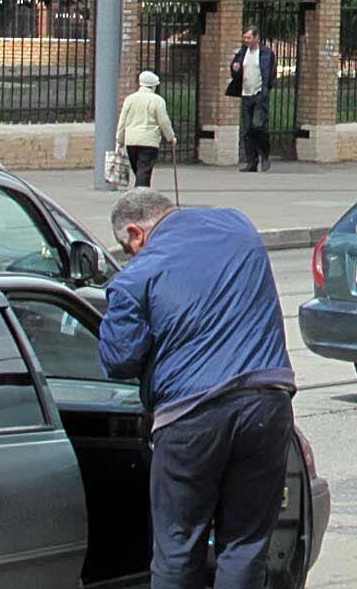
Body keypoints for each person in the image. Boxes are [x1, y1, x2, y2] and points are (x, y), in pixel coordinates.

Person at [100, 188, 295, 589]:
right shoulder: (238, 226)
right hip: (267, 402)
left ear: (135, 233)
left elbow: (120, 360)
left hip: (189, 418)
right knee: (245, 546)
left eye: (129, 249)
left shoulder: (136, 276)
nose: (132, 256)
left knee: (177, 548)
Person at [226, 27, 276, 173]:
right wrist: (235, 68)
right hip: (246, 94)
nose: (246, 40)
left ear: (256, 38)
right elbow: (236, 70)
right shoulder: (242, 53)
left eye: (248, 38)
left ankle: (264, 153)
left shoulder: (266, 53)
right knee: (248, 130)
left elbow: (271, 74)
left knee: (258, 126)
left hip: (259, 94)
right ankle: (251, 162)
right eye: (244, 38)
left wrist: (265, 90)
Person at [117, 70, 177, 188]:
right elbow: (163, 121)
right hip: (149, 141)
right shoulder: (157, 100)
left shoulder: (130, 99)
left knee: (138, 170)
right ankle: (141, 194)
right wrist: (171, 137)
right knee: (144, 171)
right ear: (154, 86)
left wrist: (120, 138)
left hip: (131, 141)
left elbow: (122, 121)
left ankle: (140, 190)